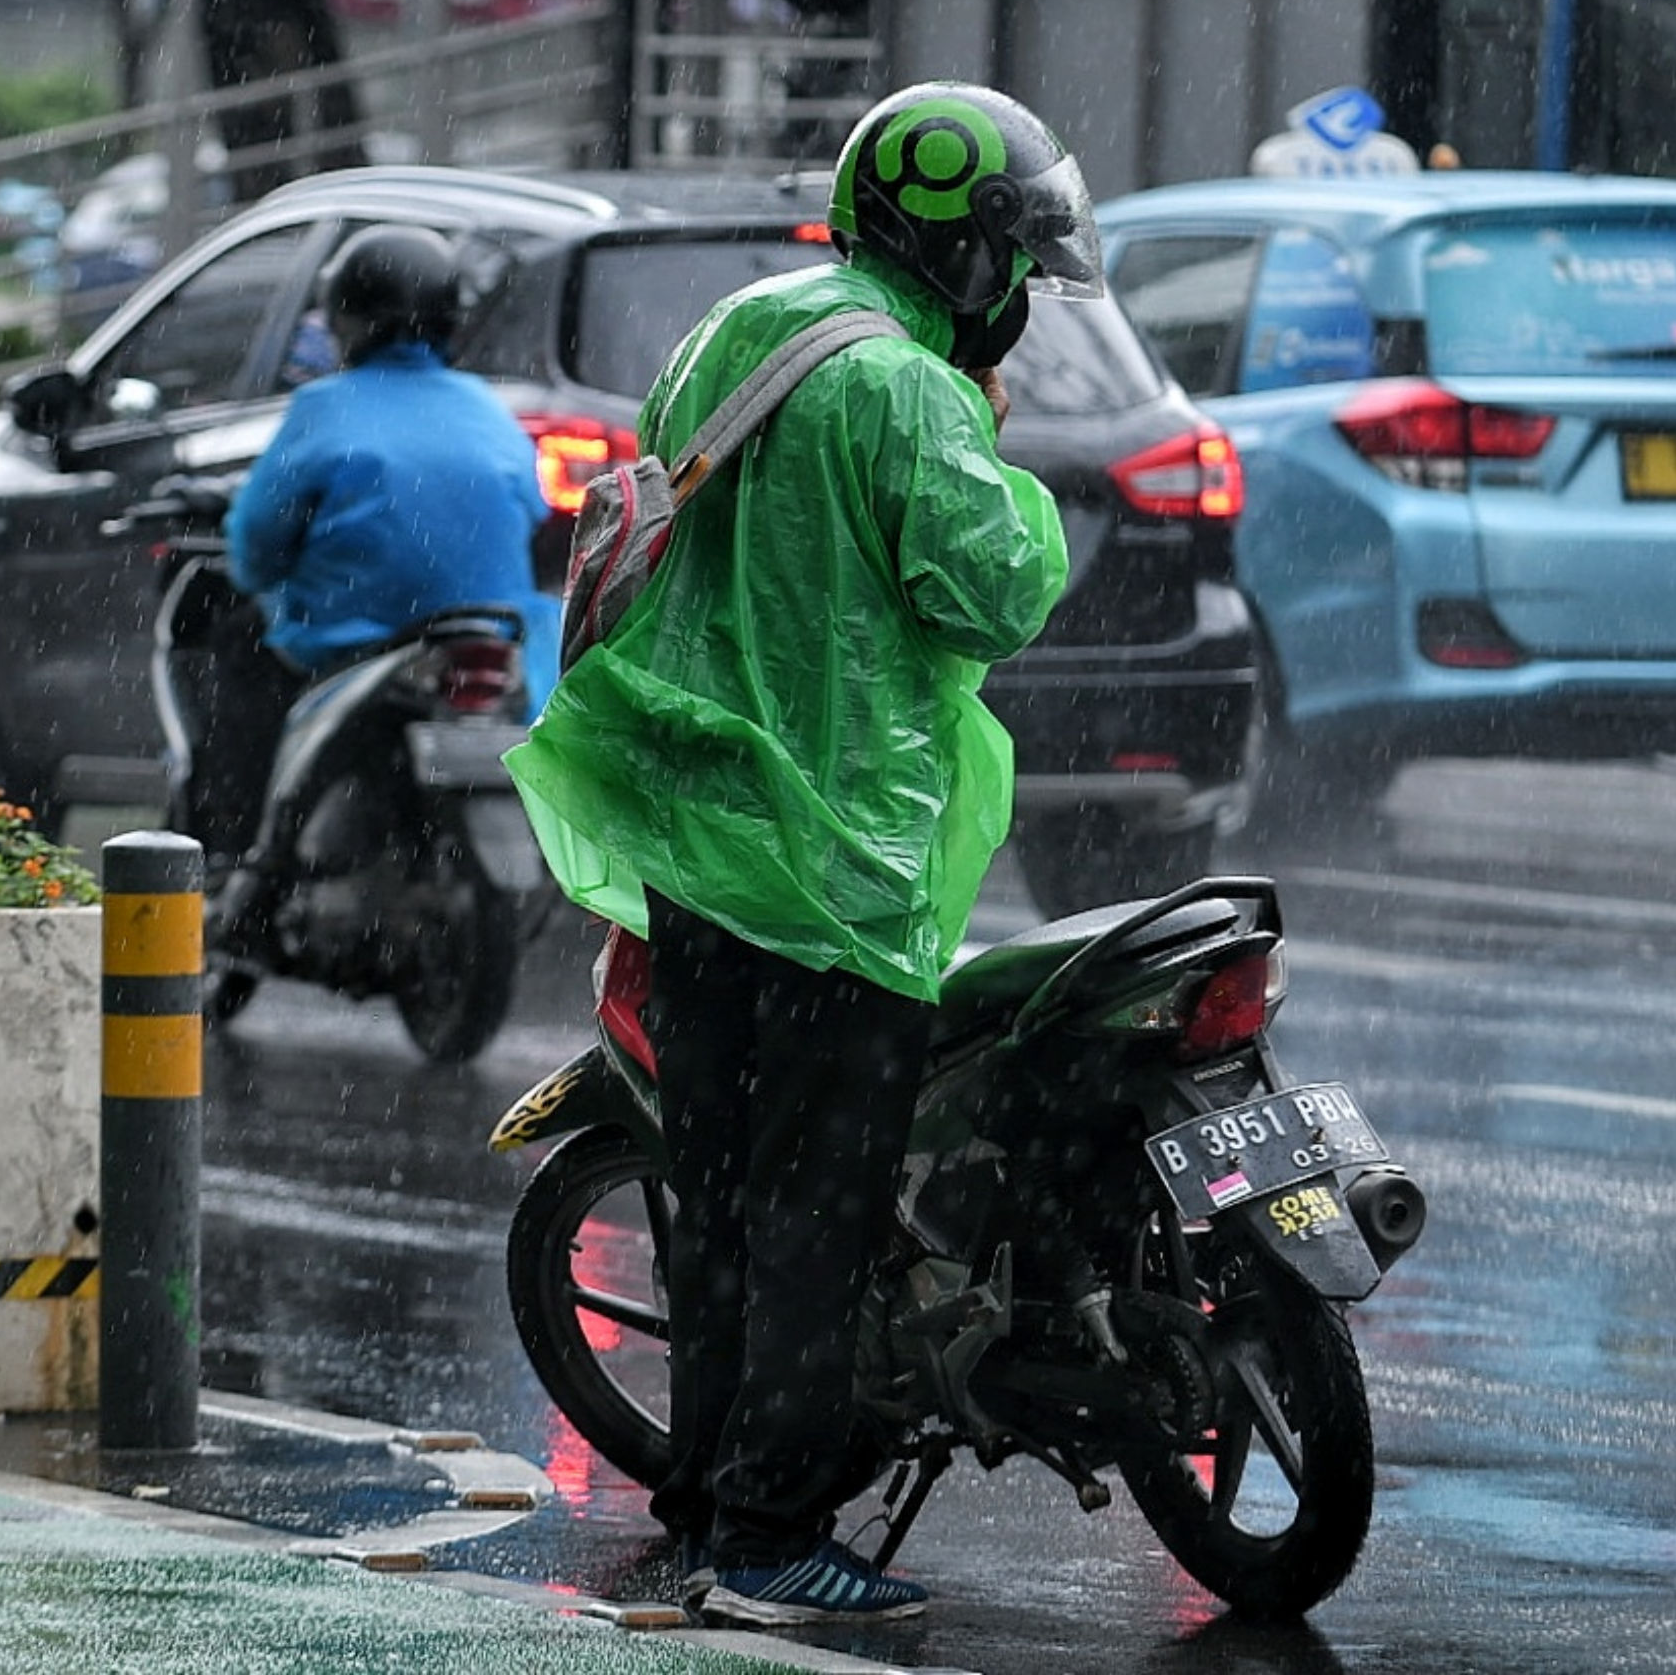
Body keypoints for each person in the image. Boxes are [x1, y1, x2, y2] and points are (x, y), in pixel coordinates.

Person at [503, 83, 1099, 1627]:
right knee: (816, 1219)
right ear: (959, 254)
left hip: (704, 837)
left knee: (716, 1202)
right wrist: (1009, 474)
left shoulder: (739, 328)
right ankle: (770, 1542)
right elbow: (992, 592)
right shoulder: (907, 389)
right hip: (831, 862)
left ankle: (708, 1502)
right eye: (1011, 260)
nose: (1018, 295)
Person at [189, 224, 553, 863]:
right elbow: (530, 511)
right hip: (496, 640)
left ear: (345, 319)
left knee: (237, 648)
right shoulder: (485, 407)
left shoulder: (323, 408)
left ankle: (239, 856)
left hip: (360, 643)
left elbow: (255, 553)